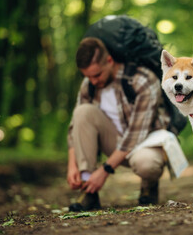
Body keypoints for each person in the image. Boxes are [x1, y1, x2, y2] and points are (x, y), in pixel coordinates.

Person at [66, 37, 173, 211]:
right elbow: (74, 127)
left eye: (97, 75)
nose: (92, 81)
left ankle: (149, 186)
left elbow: (134, 136)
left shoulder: (142, 80)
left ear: (109, 61)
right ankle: (89, 191)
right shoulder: (89, 84)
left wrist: (104, 171)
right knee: (82, 112)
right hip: (114, 141)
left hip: (146, 143)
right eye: (87, 76)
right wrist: (73, 166)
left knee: (147, 165)